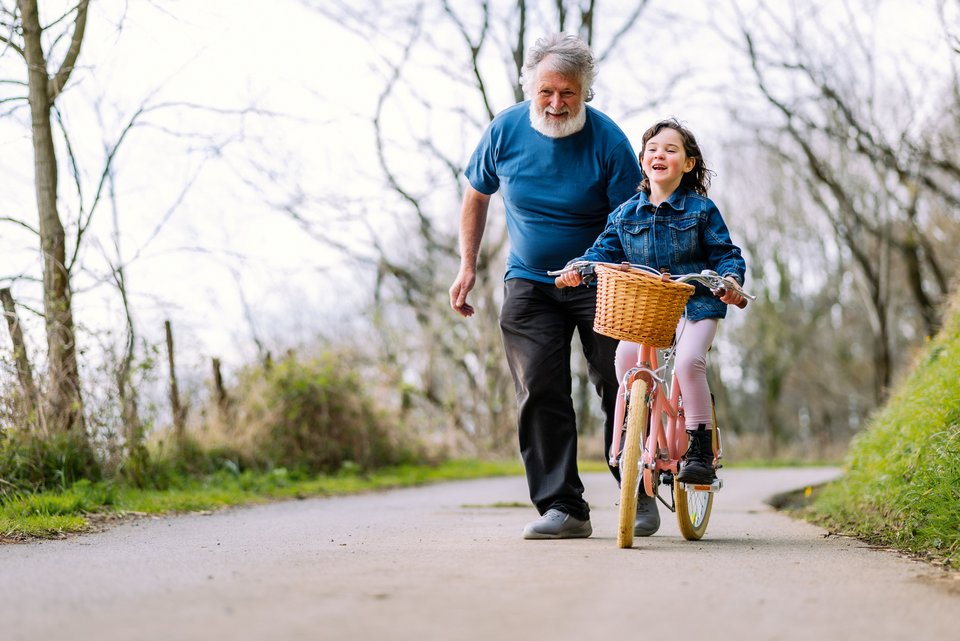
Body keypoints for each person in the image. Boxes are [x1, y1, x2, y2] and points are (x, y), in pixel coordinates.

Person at [449, 33, 643, 540]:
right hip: (531, 283)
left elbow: (634, 222)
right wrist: (467, 265)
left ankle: (635, 489)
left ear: (586, 93)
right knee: (539, 387)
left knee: (617, 382)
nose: (556, 104)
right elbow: (475, 195)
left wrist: (640, 275)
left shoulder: (608, 141)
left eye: (568, 94)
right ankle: (564, 507)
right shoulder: (504, 131)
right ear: (529, 87)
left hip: (602, 279)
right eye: (546, 92)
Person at [556, 117, 747, 537]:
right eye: (652, 149)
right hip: (647, 308)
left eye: (671, 149)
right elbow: (600, 252)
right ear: (643, 161)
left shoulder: (701, 210)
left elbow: (726, 254)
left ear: (689, 163)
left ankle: (698, 447)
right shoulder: (625, 213)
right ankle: (633, 434)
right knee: (624, 357)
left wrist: (729, 283)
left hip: (694, 302)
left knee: (689, 363)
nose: (660, 154)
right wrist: (577, 270)